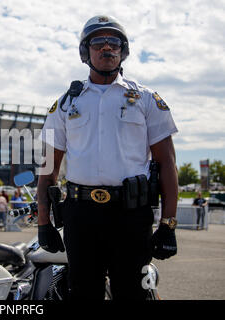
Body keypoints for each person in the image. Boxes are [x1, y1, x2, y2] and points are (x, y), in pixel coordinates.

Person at [37, 15, 179, 300]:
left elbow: (167, 164)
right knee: (83, 293)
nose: (106, 48)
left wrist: (168, 224)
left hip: (131, 216)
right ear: (85, 52)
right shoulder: (65, 104)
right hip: (81, 217)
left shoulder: (147, 99)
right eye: (97, 42)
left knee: (131, 294)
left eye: (113, 42)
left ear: (122, 51)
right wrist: (43, 222)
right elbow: (48, 168)